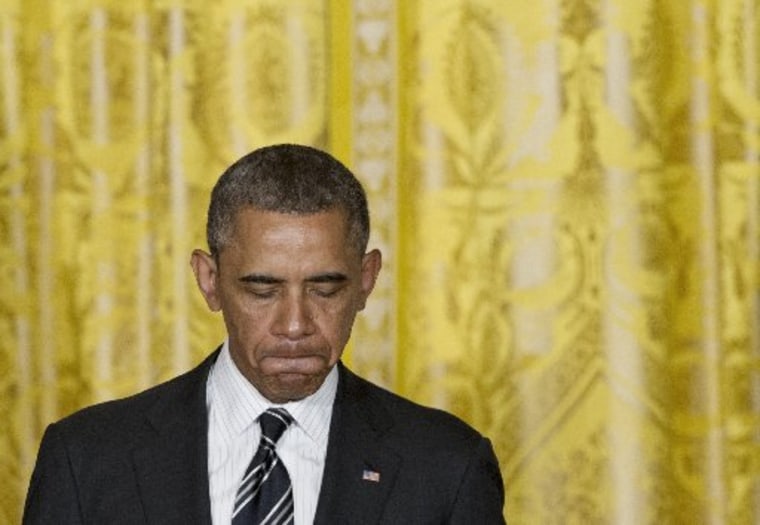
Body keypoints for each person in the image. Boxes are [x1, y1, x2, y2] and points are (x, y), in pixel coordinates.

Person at [23, 144, 506, 524]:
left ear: (366, 280)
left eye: (324, 288)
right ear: (209, 281)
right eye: (262, 289)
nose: (295, 325)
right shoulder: (86, 460)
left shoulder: (447, 466)